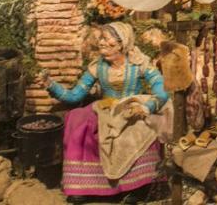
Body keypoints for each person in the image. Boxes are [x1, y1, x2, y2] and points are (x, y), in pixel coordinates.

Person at [41, 21, 168, 200]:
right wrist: (51, 86)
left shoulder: (140, 64)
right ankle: (83, 187)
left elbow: (162, 92)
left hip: (131, 109)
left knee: (141, 129)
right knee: (78, 121)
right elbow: (74, 96)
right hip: (106, 109)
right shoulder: (97, 67)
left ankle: (138, 186)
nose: (101, 43)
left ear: (121, 44)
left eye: (106, 40)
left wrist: (146, 107)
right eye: (101, 38)